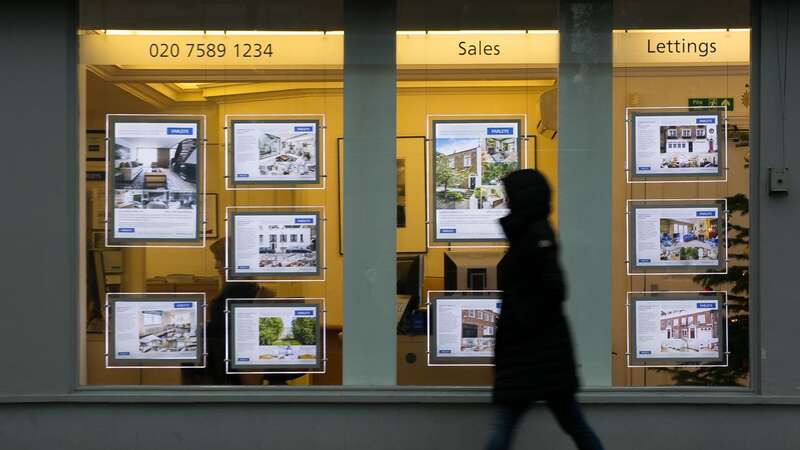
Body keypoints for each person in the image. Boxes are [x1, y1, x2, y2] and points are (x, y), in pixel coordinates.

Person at [486, 169, 604, 450]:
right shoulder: (531, 233)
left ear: (521, 198)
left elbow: (554, 290)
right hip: (541, 355)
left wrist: (519, 323)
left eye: (509, 195)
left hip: (532, 354)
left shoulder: (535, 235)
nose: (505, 201)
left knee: (507, 425)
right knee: (572, 423)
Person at [182, 238, 261, 385]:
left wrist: (196, 329)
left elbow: (224, 329)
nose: (215, 265)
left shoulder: (237, 289)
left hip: (221, 357)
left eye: (219, 259)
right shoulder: (247, 286)